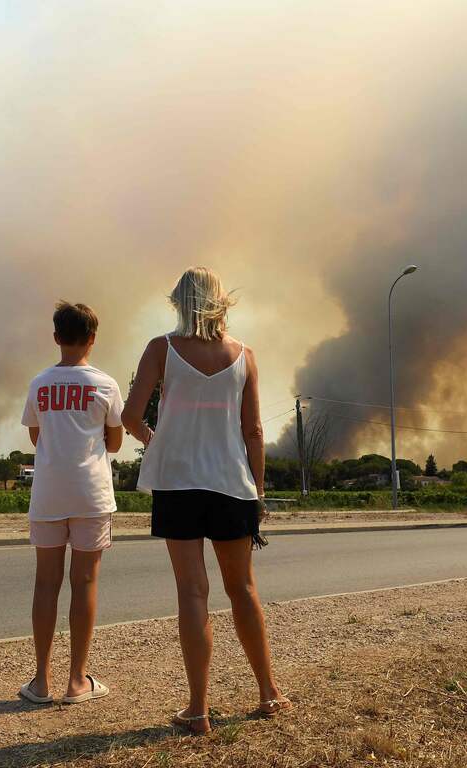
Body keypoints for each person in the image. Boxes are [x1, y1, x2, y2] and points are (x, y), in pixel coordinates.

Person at [123, 267, 291, 734]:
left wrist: (155, 437)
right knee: (243, 590)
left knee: (192, 592)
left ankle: (197, 709)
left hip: (177, 482)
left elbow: (130, 415)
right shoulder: (246, 356)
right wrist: (258, 492)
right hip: (232, 484)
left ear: (179, 301)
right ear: (221, 302)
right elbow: (253, 431)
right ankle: (268, 693)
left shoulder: (162, 349)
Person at [18, 302, 124, 705]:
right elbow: (113, 441)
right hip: (91, 494)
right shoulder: (106, 384)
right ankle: (77, 680)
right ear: (93, 338)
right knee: (85, 583)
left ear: (56, 337)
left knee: (46, 582)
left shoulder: (39, 384)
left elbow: (35, 436)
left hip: (47, 493)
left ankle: (41, 681)